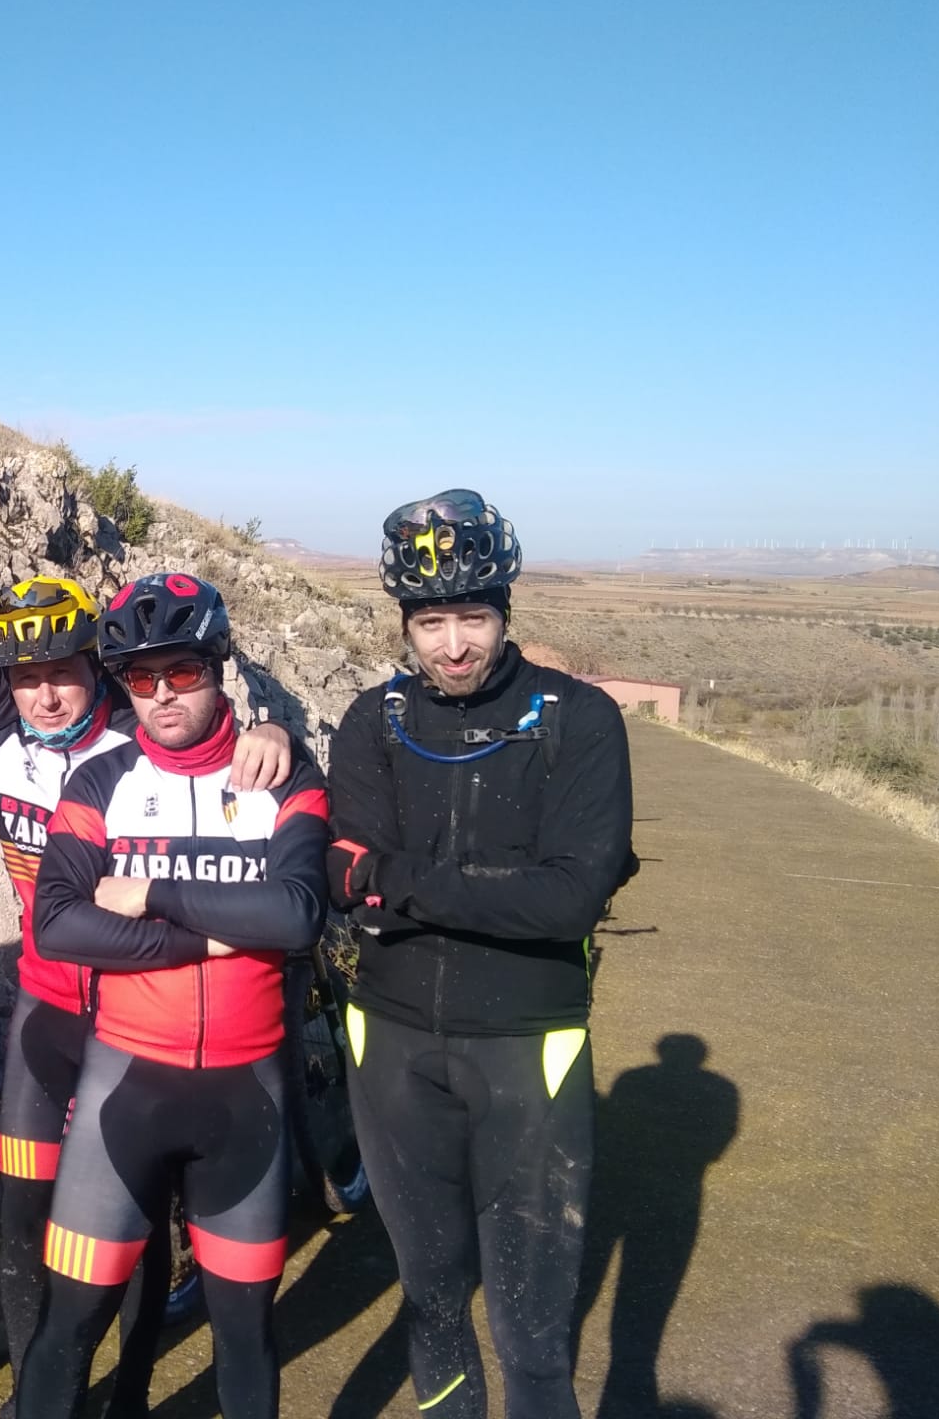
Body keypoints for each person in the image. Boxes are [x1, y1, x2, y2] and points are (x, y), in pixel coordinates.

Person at [325, 489, 635, 1419]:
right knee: (431, 1302)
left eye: (473, 617)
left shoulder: (579, 719)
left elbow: (569, 898)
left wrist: (394, 879)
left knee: (532, 1332)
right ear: (405, 625)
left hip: (527, 1049)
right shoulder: (371, 722)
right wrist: (496, 888)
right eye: (431, 622)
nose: (454, 645)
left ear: (505, 611)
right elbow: (344, 877)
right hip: (390, 1045)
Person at [0, 576, 295, 1418]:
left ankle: (131, 1399)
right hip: (54, 1016)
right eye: (26, 678)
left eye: (64, 674)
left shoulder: (151, 744)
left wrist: (276, 731)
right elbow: (61, 926)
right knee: (26, 1223)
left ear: (95, 673)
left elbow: (294, 908)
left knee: (148, 1243)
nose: (45, 694)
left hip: (158, 1038)